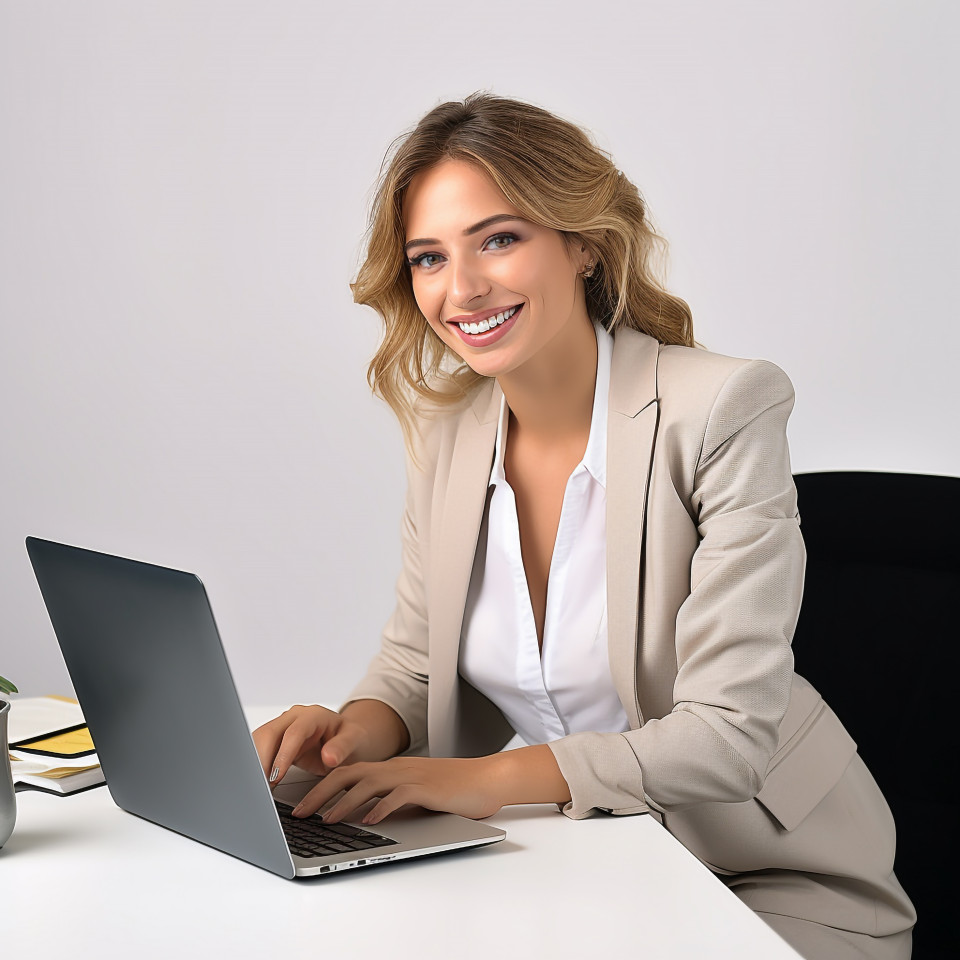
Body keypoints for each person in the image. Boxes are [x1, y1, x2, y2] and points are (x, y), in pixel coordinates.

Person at [252, 93, 915, 959]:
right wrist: (353, 731)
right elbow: (418, 664)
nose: (462, 289)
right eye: (427, 257)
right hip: (583, 864)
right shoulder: (451, 440)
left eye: (499, 238)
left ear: (583, 245)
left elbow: (725, 734)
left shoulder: (720, 408)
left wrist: (479, 782)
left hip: (766, 876)